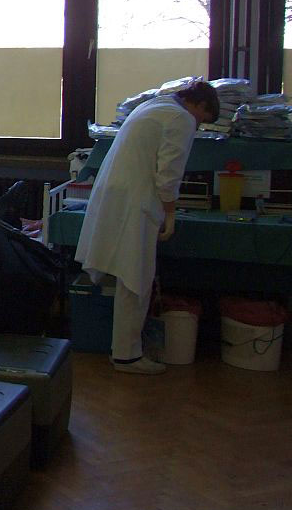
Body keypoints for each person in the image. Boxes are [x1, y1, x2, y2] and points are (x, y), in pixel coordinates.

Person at [75, 80, 220, 375]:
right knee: (135, 278)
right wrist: (170, 212)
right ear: (200, 105)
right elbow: (169, 173)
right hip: (136, 203)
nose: (198, 126)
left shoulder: (154, 105)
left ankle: (124, 350)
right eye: (203, 120)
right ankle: (127, 356)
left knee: (130, 276)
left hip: (119, 197)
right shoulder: (181, 118)